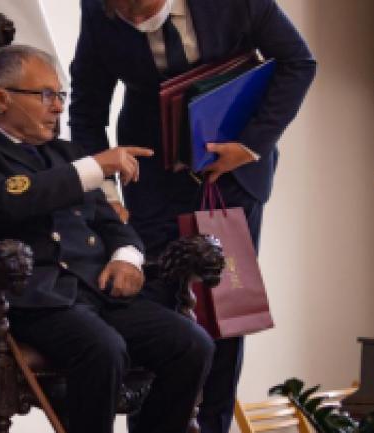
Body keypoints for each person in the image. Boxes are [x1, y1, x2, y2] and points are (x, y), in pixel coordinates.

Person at [0, 44, 215, 433]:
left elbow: (111, 222)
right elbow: (5, 202)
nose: (58, 107)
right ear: (0, 99)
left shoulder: (66, 154)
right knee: (103, 349)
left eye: (61, 96)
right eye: (46, 95)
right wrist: (94, 166)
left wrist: (127, 257)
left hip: (95, 291)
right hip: (23, 300)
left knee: (191, 343)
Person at [68, 1, 317, 432]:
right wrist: (105, 192)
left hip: (231, 174)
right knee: (150, 307)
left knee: (223, 310)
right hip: (151, 181)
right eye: (120, 10)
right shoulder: (99, 8)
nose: (131, 17)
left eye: (139, 6)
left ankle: (215, 424)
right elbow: (86, 111)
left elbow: (299, 63)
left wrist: (251, 144)